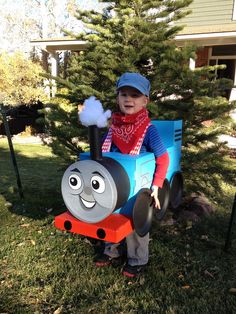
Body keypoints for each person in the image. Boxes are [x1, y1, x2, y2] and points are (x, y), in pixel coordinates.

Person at [95, 72, 169, 278]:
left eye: (135, 95)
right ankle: (111, 251)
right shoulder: (112, 128)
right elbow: (102, 152)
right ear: (117, 98)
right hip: (113, 184)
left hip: (138, 185)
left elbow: (163, 158)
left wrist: (156, 186)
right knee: (110, 216)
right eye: (124, 94)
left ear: (145, 101)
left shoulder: (148, 130)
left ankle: (137, 259)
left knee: (136, 222)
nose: (129, 99)